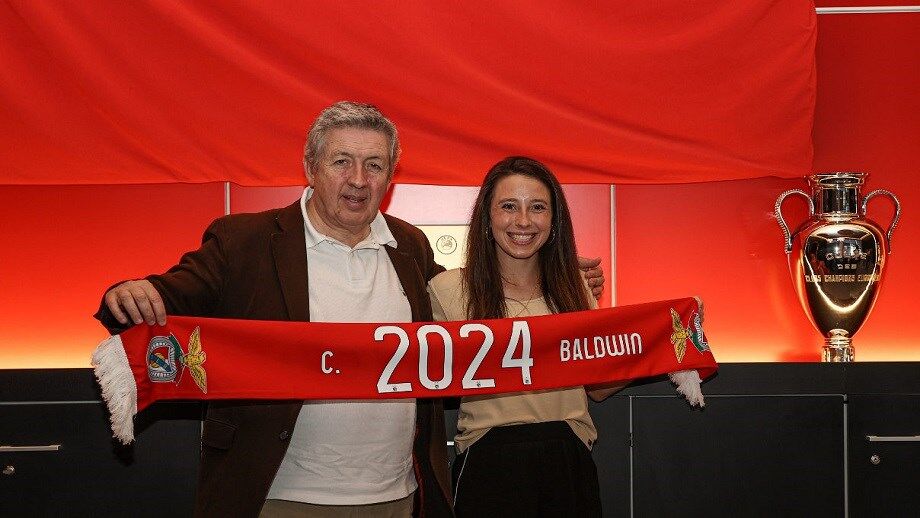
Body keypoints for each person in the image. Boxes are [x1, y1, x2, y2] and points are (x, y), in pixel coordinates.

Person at [95, 103, 606, 517]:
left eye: (375, 165)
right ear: (311, 167)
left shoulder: (409, 247)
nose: (359, 179)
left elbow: (478, 313)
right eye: (342, 161)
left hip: (397, 495)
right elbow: (172, 294)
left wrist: (555, 276)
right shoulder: (245, 241)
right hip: (280, 495)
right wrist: (131, 292)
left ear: (390, 176)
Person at [427, 156, 626, 517]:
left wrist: (662, 342)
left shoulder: (575, 289)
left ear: (554, 219)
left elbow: (597, 387)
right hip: (488, 468)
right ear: (487, 217)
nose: (523, 221)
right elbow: (428, 379)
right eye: (508, 206)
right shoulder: (447, 290)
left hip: (568, 464)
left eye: (537, 207)